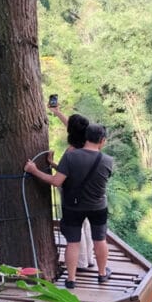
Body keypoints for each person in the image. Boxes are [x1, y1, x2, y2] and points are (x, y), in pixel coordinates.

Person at [24, 123, 113, 289]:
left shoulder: (71, 157)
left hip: (73, 206)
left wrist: (34, 170)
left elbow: (57, 181)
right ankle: (102, 274)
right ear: (102, 140)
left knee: (73, 242)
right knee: (100, 240)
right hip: (98, 207)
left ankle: (71, 279)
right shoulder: (108, 161)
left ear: (85, 137)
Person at [49, 103, 95, 270]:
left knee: (77, 227)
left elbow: (59, 178)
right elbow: (72, 126)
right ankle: (89, 259)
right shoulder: (90, 143)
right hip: (88, 191)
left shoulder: (71, 152)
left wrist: (37, 169)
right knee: (86, 224)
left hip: (72, 192)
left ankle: (81, 262)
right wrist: (57, 112)